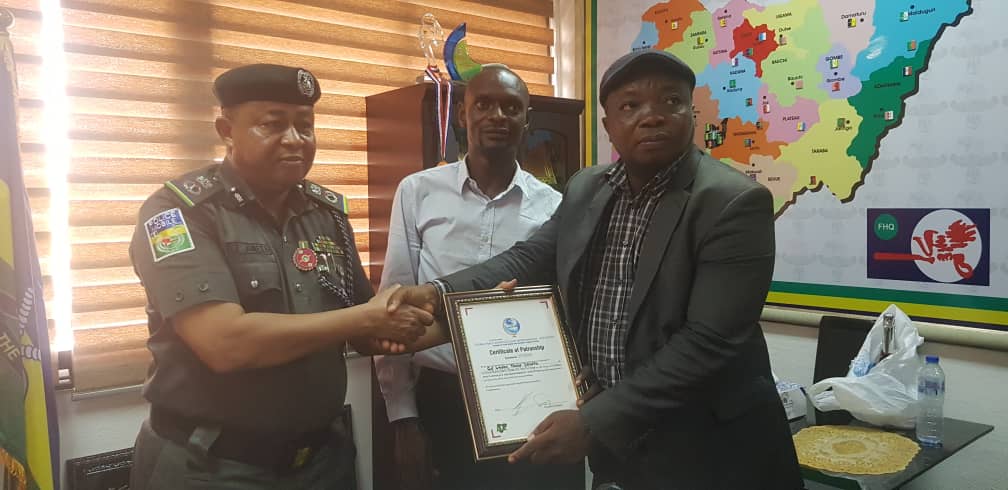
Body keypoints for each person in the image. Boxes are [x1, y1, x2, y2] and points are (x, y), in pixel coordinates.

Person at [387, 49, 804, 489]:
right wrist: (437, 292)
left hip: (708, 448)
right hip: (624, 447)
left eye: (670, 101)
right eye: (630, 105)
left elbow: (707, 343)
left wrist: (594, 422)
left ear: (692, 113)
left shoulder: (732, 202)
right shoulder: (588, 188)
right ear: (608, 125)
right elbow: (528, 259)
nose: (651, 116)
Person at [127, 63, 432, 489]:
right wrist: (368, 318)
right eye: (272, 125)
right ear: (226, 130)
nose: (294, 140)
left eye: (305, 126)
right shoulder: (176, 213)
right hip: (212, 467)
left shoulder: (326, 215)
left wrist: (466, 310)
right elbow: (224, 343)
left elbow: (370, 331)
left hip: (322, 462)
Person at [373, 65, 581, 490]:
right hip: (440, 398)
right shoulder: (417, 192)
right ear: (462, 115)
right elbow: (395, 303)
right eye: (483, 104)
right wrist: (402, 416)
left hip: (526, 393)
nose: (497, 116)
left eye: (511, 107)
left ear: (527, 120)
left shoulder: (552, 206)